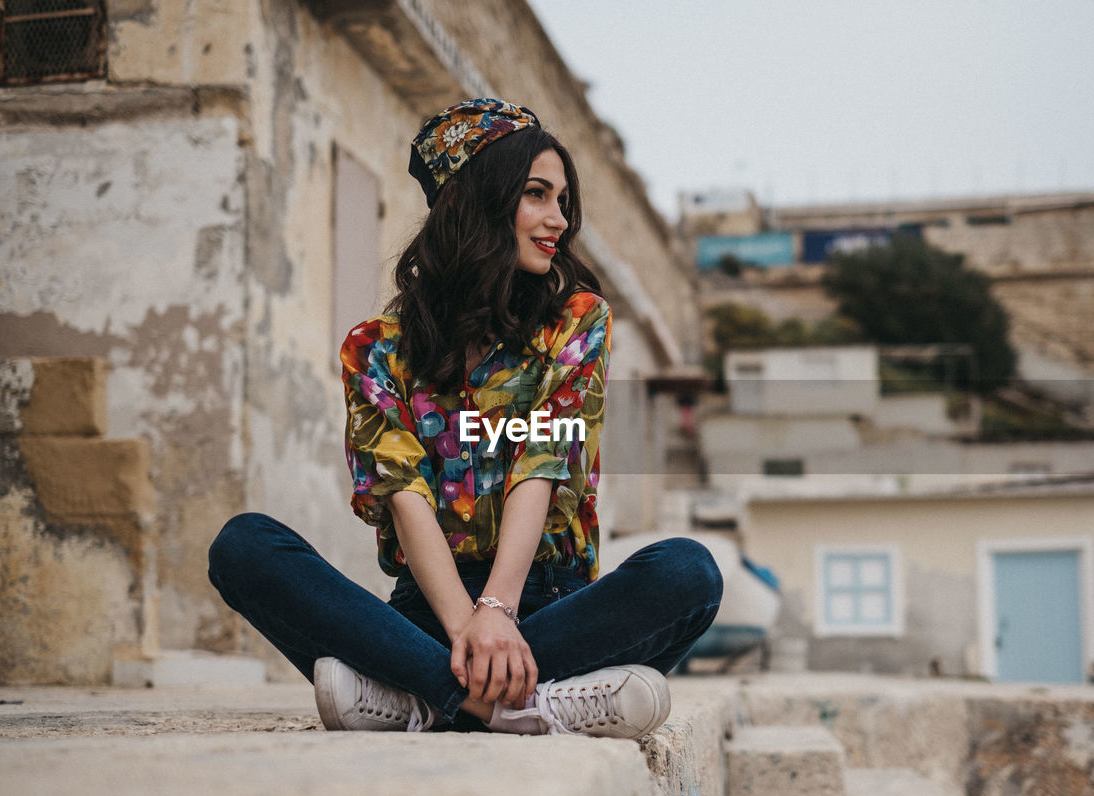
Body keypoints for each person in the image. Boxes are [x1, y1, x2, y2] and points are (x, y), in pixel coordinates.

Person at [208, 98, 722, 739]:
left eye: (562, 200)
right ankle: (521, 707)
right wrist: (467, 624)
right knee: (244, 546)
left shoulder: (575, 321)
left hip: (551, 606)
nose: (557, 219)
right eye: (537, 194)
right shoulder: (375, 348)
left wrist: (499, 611)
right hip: (426, 614)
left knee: (687, 572)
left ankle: (419, 700)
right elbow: (405, 495)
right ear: (477, 201)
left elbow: (540, 463)